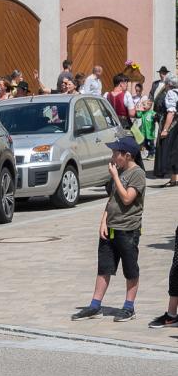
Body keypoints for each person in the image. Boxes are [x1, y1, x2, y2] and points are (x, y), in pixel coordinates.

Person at [71, 135, 147, 323]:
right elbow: (112, 199)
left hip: (128, 230)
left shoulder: (137, 174)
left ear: (127, 155)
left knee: (130, 269)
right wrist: (103, 222)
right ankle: (95, 305)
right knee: (104, 268)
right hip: (111, 228)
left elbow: (127, 198)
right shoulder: (119, 171)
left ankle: (129, 307)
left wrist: (114, 177)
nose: (112, 157)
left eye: (115, 153)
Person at [154, 75, 178, 184]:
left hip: (173, 126)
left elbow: (171, 112)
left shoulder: (171, 93)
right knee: (175, 151)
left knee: (170, 151)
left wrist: (165, 130)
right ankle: (174, 178)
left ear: (168, 84)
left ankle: (174, 178)